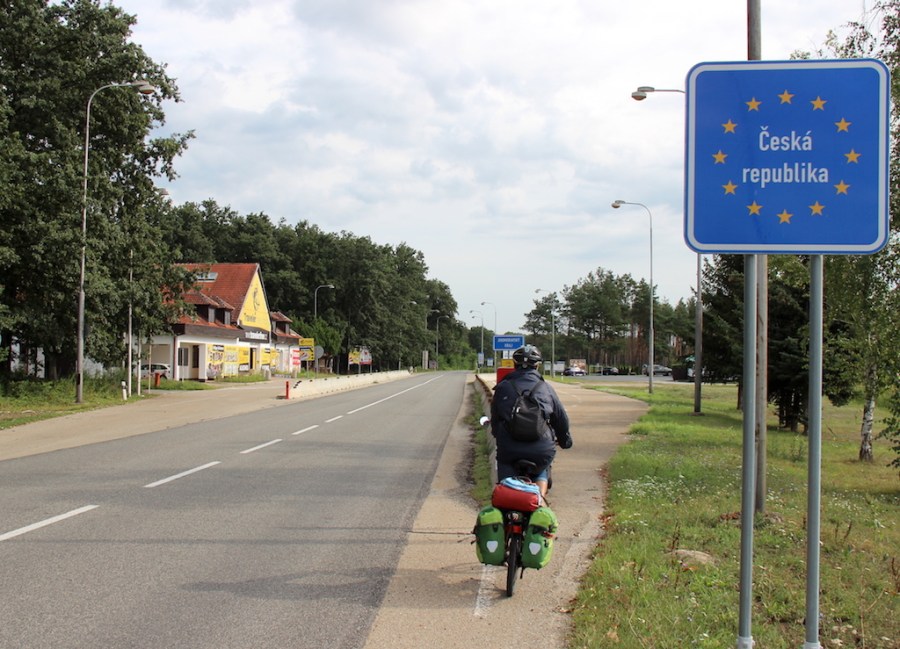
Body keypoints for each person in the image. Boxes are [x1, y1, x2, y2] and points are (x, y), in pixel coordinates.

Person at [490, 344, 572, 497]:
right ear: (537, 366)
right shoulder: (546, 388)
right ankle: (539, 500)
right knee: (542, 467)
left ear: (514, 365)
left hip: (509, 449)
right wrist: (565, 441)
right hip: (541, 449)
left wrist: (498, 435)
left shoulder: (502, 388)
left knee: (505, 472)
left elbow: (495, 420)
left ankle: (506, 501)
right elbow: (561, 419)